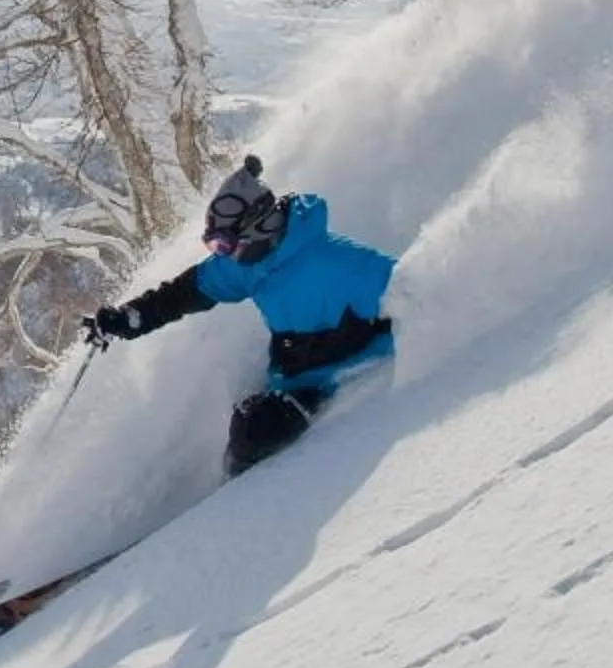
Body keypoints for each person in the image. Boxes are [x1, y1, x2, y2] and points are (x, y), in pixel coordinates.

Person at [85, 155, 403, 474]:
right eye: (215, 247)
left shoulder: (339, 262)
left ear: (259, 226)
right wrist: (128, 319)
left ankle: (243, 508)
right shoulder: (248, 265)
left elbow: (410, 288)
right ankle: (227, 496)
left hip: (345, 372)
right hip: (294, 373)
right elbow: (184, 293)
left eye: (224, 245)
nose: (222, 255)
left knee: (252, 435)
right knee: (243, 423)